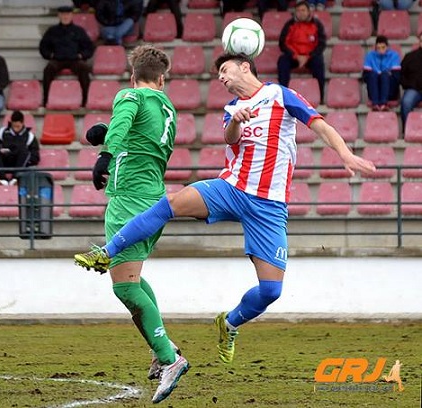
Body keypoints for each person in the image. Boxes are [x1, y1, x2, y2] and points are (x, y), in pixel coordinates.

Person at [74, 53, 376, 365]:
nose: (220, 77)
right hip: (231, 188)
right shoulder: (231, 108)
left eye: (224, 69)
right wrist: (236, 120)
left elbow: (319, 124)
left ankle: (229, 324)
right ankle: (107, 252)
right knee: (171, 203)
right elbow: (230, 139)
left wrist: (346, 155)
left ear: (245, 66)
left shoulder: (280, 95)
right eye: (218, 72)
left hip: (269, 204)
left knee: (271, 290)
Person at [75, 45, 189, 404]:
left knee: (124, 288)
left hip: (129, 200)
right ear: (162, 77)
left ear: (133, 76)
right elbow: (141, 137)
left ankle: (171, 359)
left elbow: (125, 123)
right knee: (133, 278)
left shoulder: (129, 94)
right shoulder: (167, 106)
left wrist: (105, 154)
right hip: (154, 199)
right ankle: (163, 347)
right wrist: (108, 133)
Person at [39, 5, 94, 107]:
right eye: (63, 14)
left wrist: (82, 55)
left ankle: (85, 100)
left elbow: (89, 47)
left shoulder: (79, 31)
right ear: (59, 16)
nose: (65, 17)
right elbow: (43, 47)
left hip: (75, 60)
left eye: (68, 14)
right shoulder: (52, 31)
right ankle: (46, 99)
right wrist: (49, 55)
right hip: (57, 60)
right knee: (48, 69)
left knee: (84, 68)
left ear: (72, 15)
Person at [277, 0, 326, 102]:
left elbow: (321, 44)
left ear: (309, 12)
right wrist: (296, 56)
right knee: (282, 61)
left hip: (310, 57)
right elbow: (283, 43)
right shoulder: (290, 24)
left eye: (303, 10)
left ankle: (320, 96)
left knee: (319, 62)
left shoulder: (317, 24)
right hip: (294, 56)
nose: (301, 13)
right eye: (298, 11)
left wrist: (308, 56)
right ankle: (283, 96)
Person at [0, 110, 40, 186]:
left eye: (18, 127)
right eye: (14, 126)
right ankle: (2, 178)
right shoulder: (2, 132)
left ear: (22, 123)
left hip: (20, 163)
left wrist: (17, 154)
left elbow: (35, 156)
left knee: (24, 152)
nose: (16, 129)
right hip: (4, 161)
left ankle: (16, 178)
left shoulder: (30, 136)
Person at [363, 35, 401, 111]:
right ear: (375, 48)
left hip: (390, 90)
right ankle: (376, 104)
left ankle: (384, 103)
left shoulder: (394, 56)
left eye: (383, 47)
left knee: (384, 75)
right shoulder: (370, 56)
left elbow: (396, 76)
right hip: (374, 90)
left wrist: (385, 74)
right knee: (373, 75)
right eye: (378, 48)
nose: (381, 50)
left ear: (387, 47)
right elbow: (365, 76)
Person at [400, 32, 422, 130]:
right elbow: (401, 74)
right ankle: (408, 130)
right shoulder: (410, 56)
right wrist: (409, 85)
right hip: (414, 90)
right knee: (406, 102)